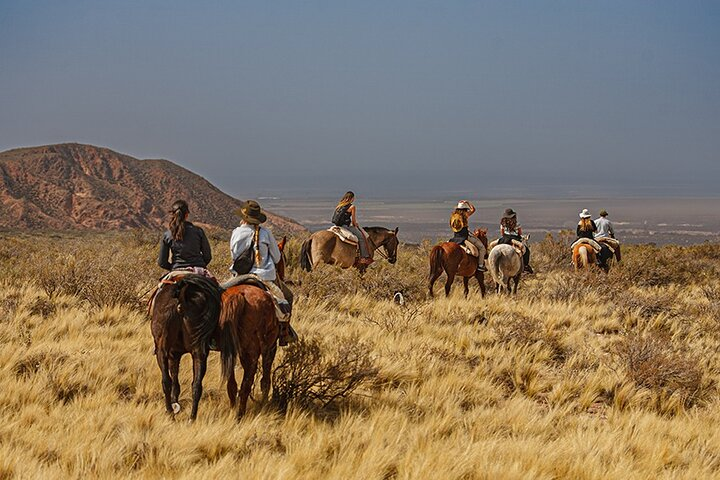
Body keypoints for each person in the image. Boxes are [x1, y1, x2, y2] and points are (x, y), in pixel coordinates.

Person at [230, 200, 296, 346]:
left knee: (219, 294)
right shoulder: (266, 233)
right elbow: (277, 257)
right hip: (264, 277)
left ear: (244, 218)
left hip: (240, 277)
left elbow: (234, 256)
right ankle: (284, 332)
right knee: (288, 297)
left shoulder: (236, 233)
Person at [157, 200, 213, 277]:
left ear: (173, 215)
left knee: (160, 288)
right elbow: (207, 257)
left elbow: (162, 262)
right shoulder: (198, 231)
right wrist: (199, 265)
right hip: (198, 271)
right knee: (217, 288)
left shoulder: (167, 235)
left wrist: (174, 267)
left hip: (176, 271)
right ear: (186, 215)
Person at [331, 191, 373, 265]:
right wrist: (356, 224)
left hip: (337, 226)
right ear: (352, 198)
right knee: (361, 238)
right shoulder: (352, 207)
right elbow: (353, 221)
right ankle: (364, 257)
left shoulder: (339, 205)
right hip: (345, 227)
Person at [449, 200, 486, 272]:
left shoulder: (453, 216)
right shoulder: (465, 215)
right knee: (482, 248)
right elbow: (473, 209)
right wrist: (468, 202)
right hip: (465, 237)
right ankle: (480, 265)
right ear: (465, 209)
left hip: (455, 237)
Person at [498, 208, 533, 274]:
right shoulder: (517, 224)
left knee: (492, 245)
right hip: (514, 239)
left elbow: (502, 233)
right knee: (526, 250)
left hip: (504, 239)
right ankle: (525, 266)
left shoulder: (502, 224)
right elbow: (519, 233)